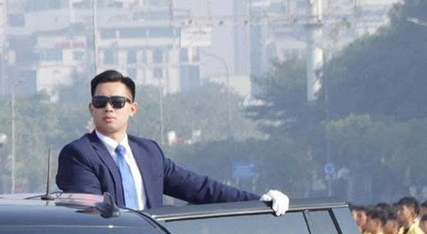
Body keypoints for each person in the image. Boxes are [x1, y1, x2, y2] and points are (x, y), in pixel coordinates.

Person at [55, 69, 289, 214]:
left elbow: (199, 188)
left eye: (117, 102)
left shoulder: (149, 152)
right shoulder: (78, 154)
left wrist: (258, 200)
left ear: (132, 108)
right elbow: (93, 213)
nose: (108, 107)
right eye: (100, 101)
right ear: (91, 108)